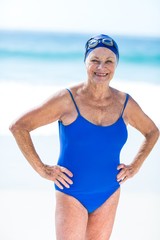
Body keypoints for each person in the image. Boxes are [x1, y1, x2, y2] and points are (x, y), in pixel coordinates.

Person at [9, 34, 159, 240]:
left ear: (116, 65)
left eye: (109, 61)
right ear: (85, 62)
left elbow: (152, 132)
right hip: (71, 193)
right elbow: (19, 126)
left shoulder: (125, 103)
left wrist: (136, 165)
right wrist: (42, 169)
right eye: (95, 60)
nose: (101, 67)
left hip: (109, 192)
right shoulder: (67, 100)